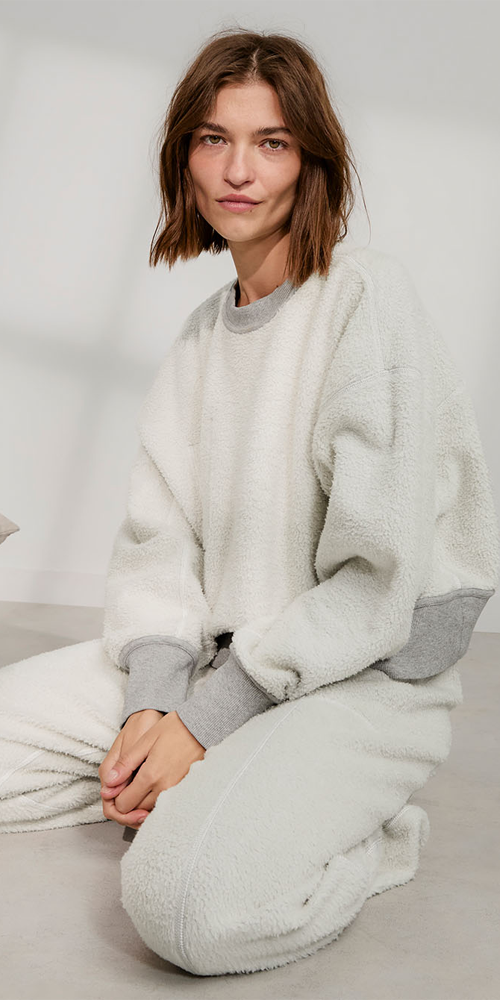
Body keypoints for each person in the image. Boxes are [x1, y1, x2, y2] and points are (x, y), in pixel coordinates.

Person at [0, 27, 498, 978]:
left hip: (363, 683)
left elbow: (375, 585)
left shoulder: (365, 302)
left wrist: (201, 724)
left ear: (311, 162)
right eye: (213, 139)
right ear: (183, 158)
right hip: (219, 664)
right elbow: (156, 547)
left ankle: (364, 832)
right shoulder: (199, 339)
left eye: (272, 142)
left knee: (182, 905)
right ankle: (194, 791)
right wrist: (156, 707)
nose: (238, 170)